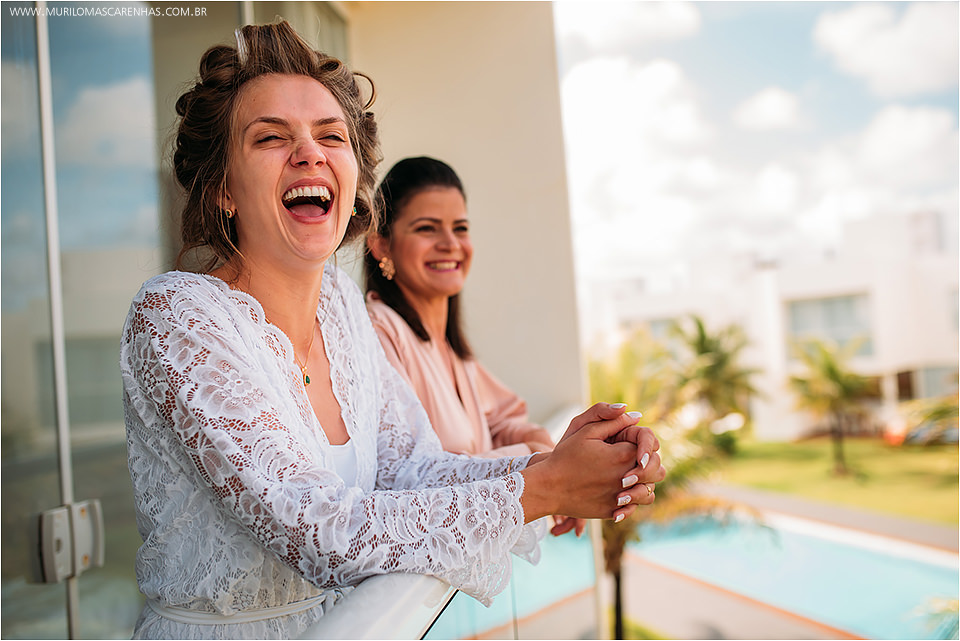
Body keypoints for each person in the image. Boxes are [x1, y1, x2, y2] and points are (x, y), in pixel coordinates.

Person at [120, 20, 664, 640]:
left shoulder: (343, 310)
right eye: (271, 137)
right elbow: (317, 531)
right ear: (222, 189)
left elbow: (411, 467)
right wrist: (540, 490)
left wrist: (563, 466)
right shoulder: (178, 318)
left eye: (332, 136)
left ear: (352, 183)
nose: (310, 152)